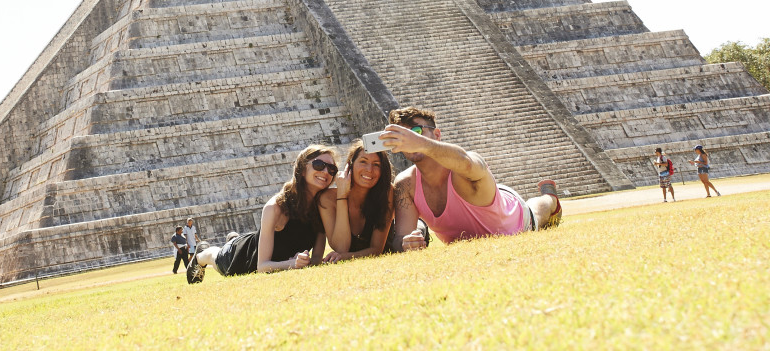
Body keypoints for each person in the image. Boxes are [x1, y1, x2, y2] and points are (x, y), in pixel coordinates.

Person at [379, 106, 562, 250]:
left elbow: (466, 162)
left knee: (538, 210)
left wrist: (421, 144)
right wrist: (407, 242)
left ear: (436, 135)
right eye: (404, 134)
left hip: (516, 216)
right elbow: (401, 236)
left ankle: (551, 198)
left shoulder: (464, 163)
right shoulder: (406, 184)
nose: (411, 137)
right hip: (491, 199)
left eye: (417, 130)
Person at [185, 145, 337, 283]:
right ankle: (202, 252)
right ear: (302, 170)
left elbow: (316, 259)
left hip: (258, 243)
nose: (325, 172)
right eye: (319, 165)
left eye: (332, 169)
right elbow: (262, 266)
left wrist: (306, 262)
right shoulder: (276, 207)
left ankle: (233, 239)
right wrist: (292, 264)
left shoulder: (322, 208)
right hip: (243, 257)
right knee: (217, 257)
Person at [319, 139, 395, 261]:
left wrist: (344, 257)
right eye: (363, 162)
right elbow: (341, 247)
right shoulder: (327, 199)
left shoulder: (386, 192)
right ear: (350, 165)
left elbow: (377, 249)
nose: (369, 169)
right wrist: (342, 195)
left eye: (376, 164)